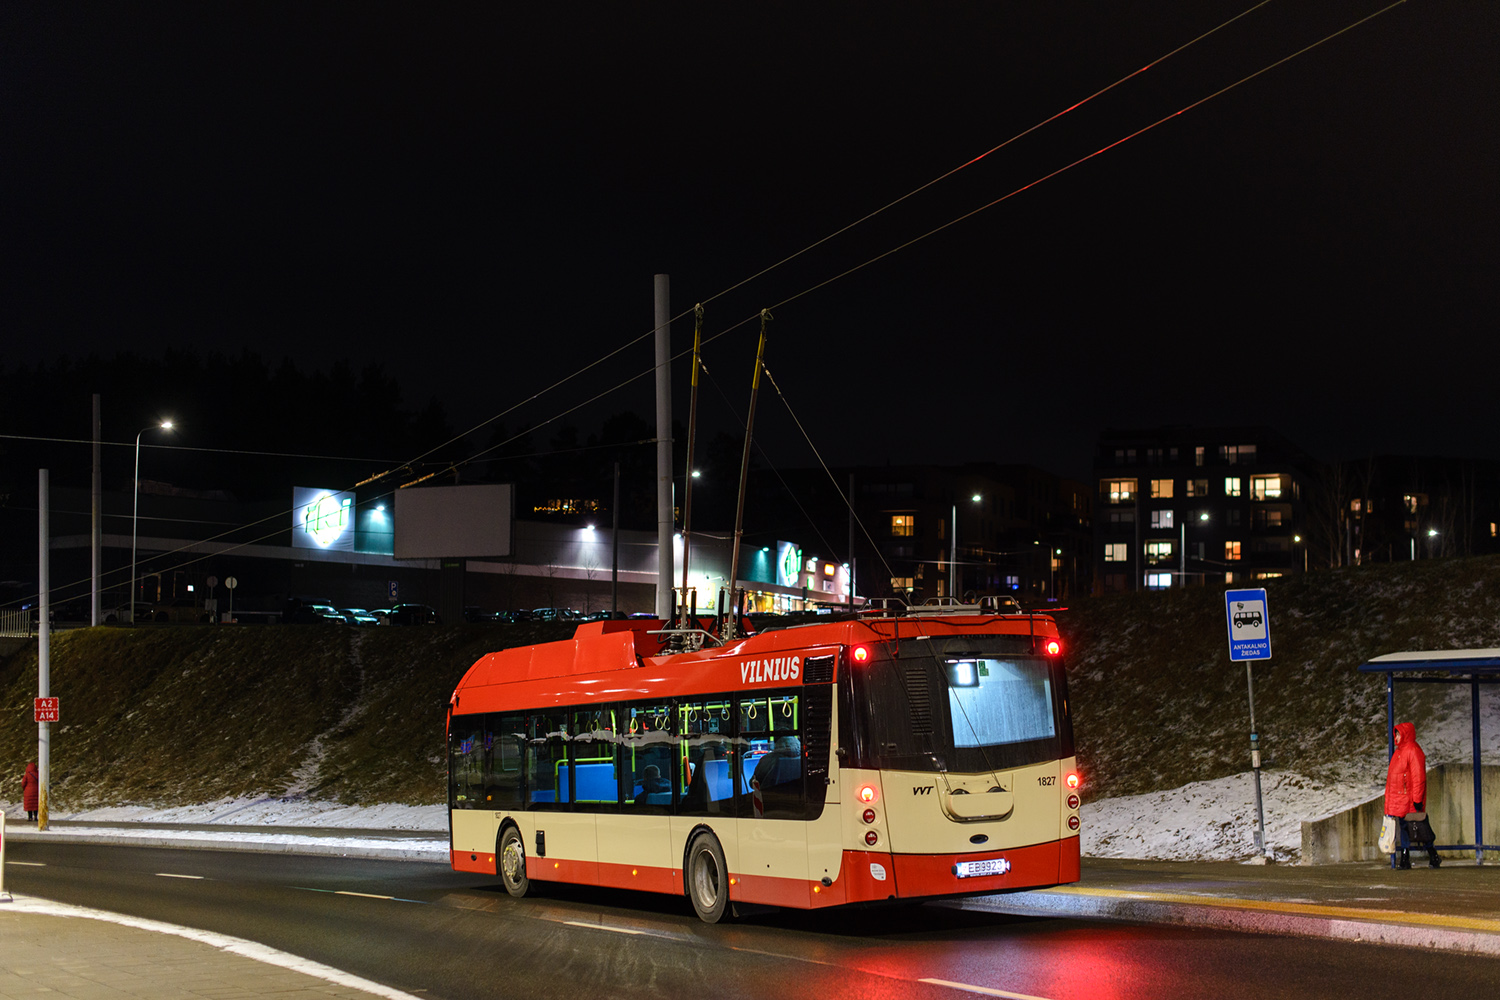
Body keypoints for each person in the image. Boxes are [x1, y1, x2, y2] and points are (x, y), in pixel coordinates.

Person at [1385, 722, 1440, 869]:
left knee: (1418, 827)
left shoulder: (1413, 750)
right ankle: (1406, 857)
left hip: (1409, 799)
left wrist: (1416, 800)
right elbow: (1392, 780)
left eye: (1398, 733)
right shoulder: (1400, 752)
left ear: (1405, 734)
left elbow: (1418, 778)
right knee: (1405, 827)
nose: (1396, 736)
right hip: (1401, 799)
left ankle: (1428, 854)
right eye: (1395, 733)